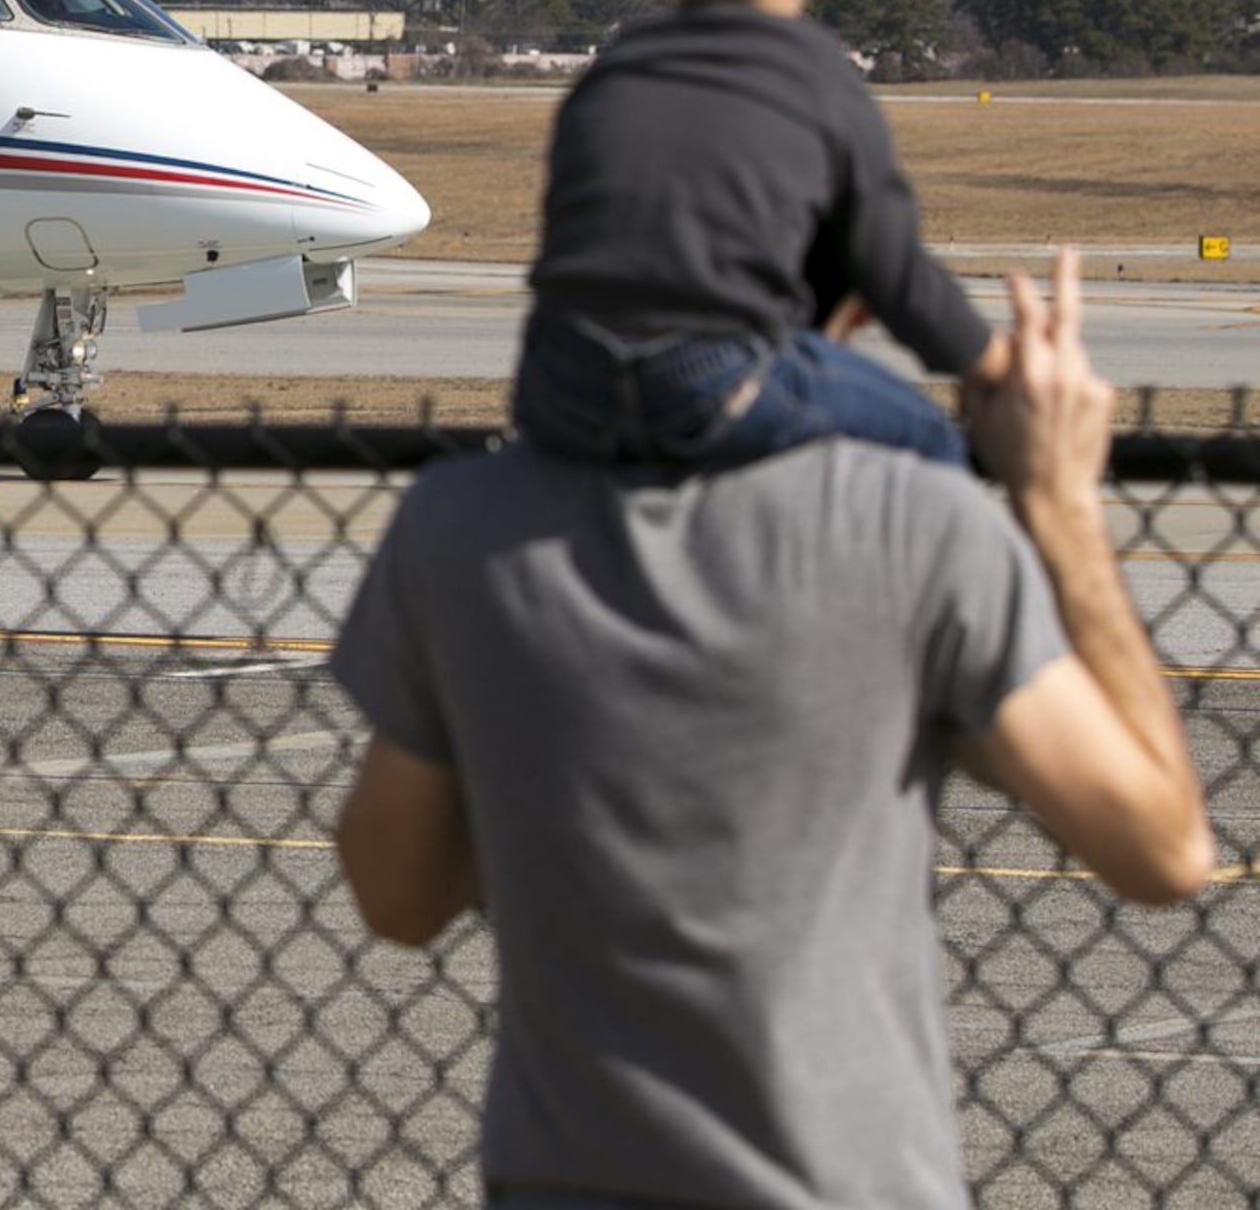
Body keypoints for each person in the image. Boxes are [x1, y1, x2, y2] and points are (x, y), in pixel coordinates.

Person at [334, 249, 1215, 1208]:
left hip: (565, 1173)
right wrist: (1060, 503)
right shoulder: (915, 529)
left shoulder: (465, 529)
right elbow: (1159, 847)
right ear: (851, 306)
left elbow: (398, 900)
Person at [517, 0, 997, 471]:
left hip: (558, 381)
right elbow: (894, 273)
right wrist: (990, 361)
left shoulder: (611, 75)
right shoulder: (817, 76)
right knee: (928, 437)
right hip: (708, 377)